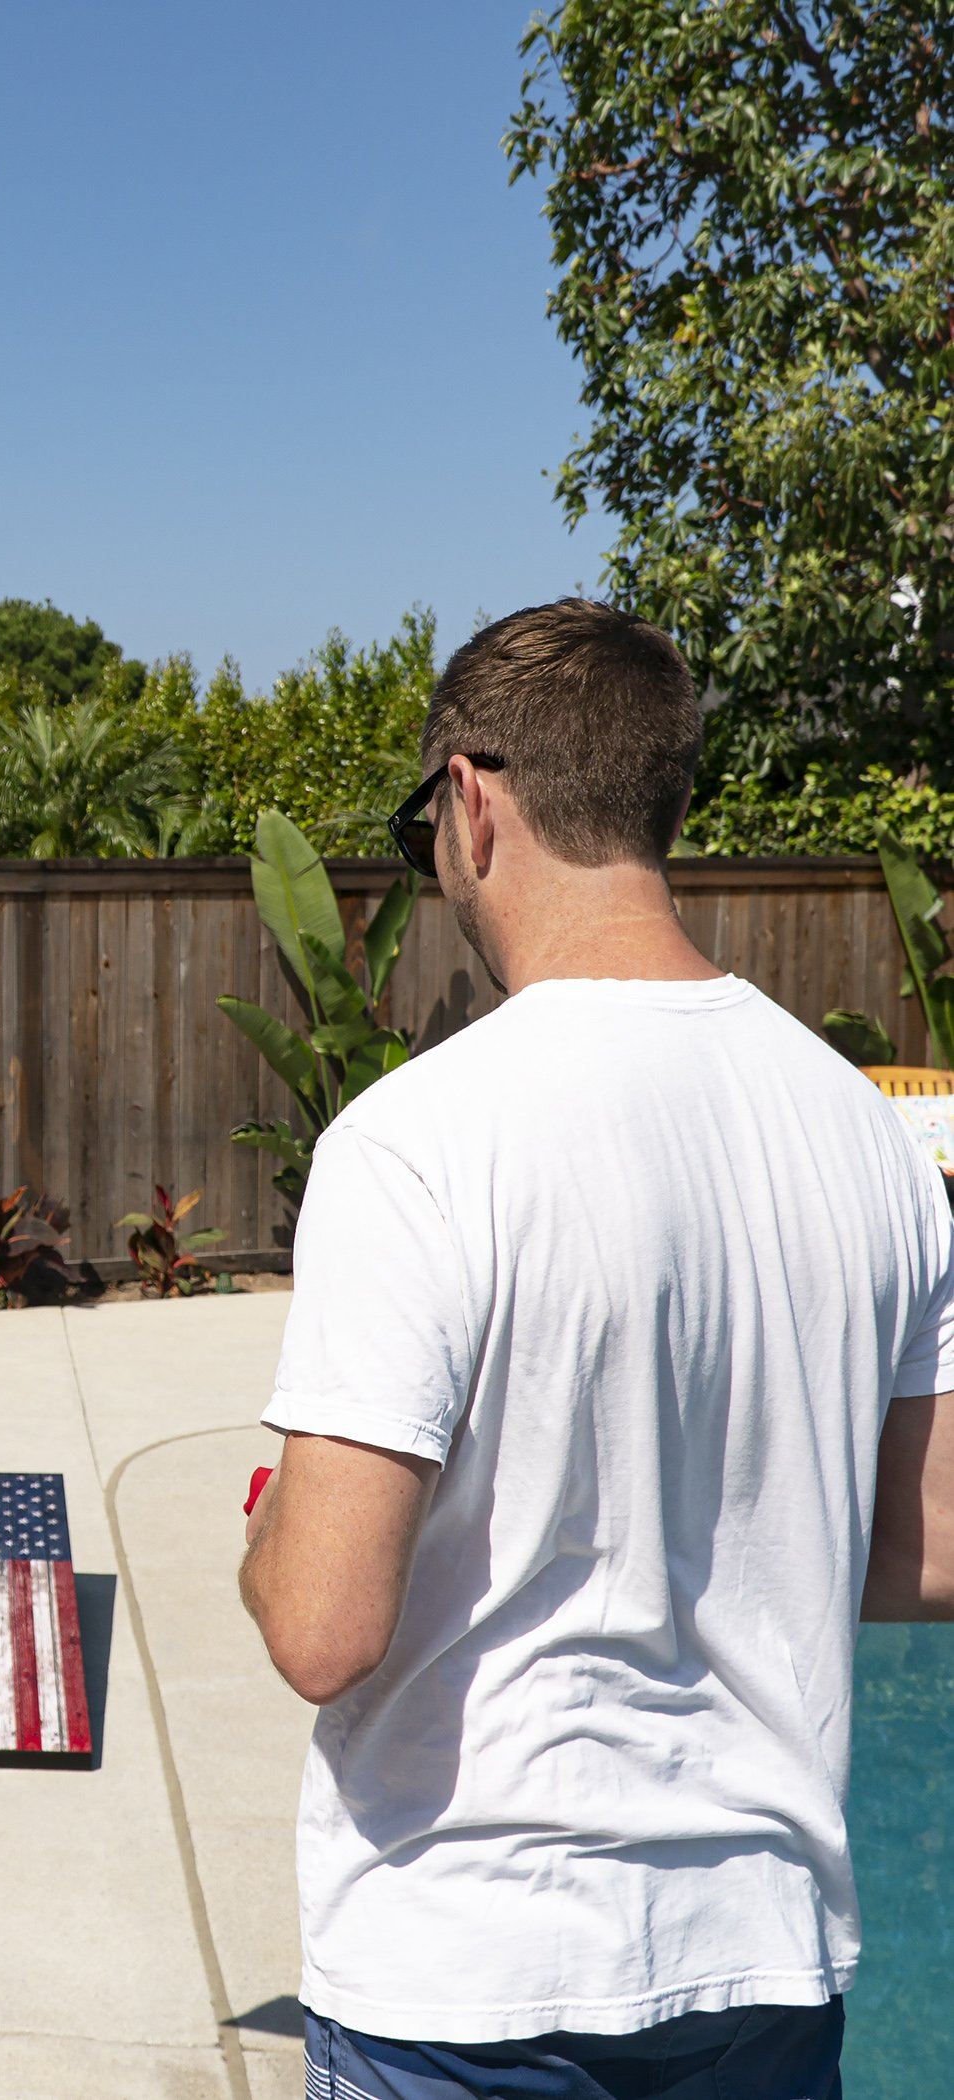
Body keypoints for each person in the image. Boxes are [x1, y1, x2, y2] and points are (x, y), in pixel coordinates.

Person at [239, 599, 954, 2100]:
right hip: (760, 1961)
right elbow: (937, 1553)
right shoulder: (866, 1138)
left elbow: (321, 1626)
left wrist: (271, 1541)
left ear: (474, 802)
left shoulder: (417, 1143)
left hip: (470, 1974)